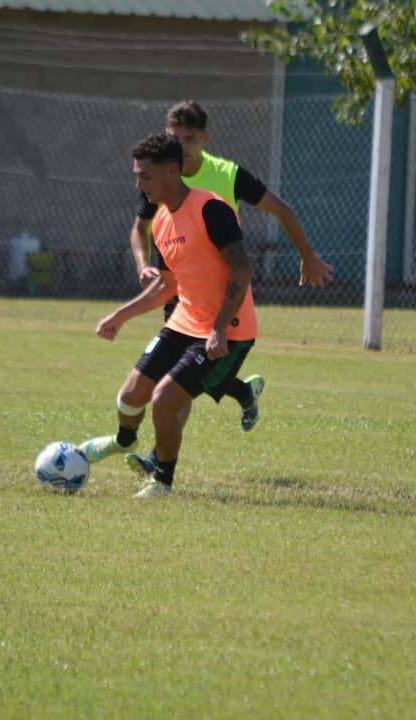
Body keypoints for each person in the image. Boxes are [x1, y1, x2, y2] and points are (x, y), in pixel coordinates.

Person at [128, 100, 334, 432]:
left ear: (204, 140)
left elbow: (281, 209)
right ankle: (241, 392)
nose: (181, 145)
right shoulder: (159, 179)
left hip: (221, 292)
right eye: (174, 136)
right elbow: (140, 228)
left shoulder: (227, 174)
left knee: (181, 379)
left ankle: (159, 458)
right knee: (179, 375)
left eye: (189, 138)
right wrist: (142, 264)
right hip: (178, 289)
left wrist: (307, 255)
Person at [84, 132, 257, 498]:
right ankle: (124, 441)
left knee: (164, 400)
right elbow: (168, 287)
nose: (138, 184)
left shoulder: (211, 209)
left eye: (144, 176)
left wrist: (219, 328)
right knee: (130, 396)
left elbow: (242, 270)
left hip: (228, 331)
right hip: (183, 322)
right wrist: (121, 315)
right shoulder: (161, 222)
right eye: (136, 175)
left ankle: (162, 481)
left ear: (172, 171)